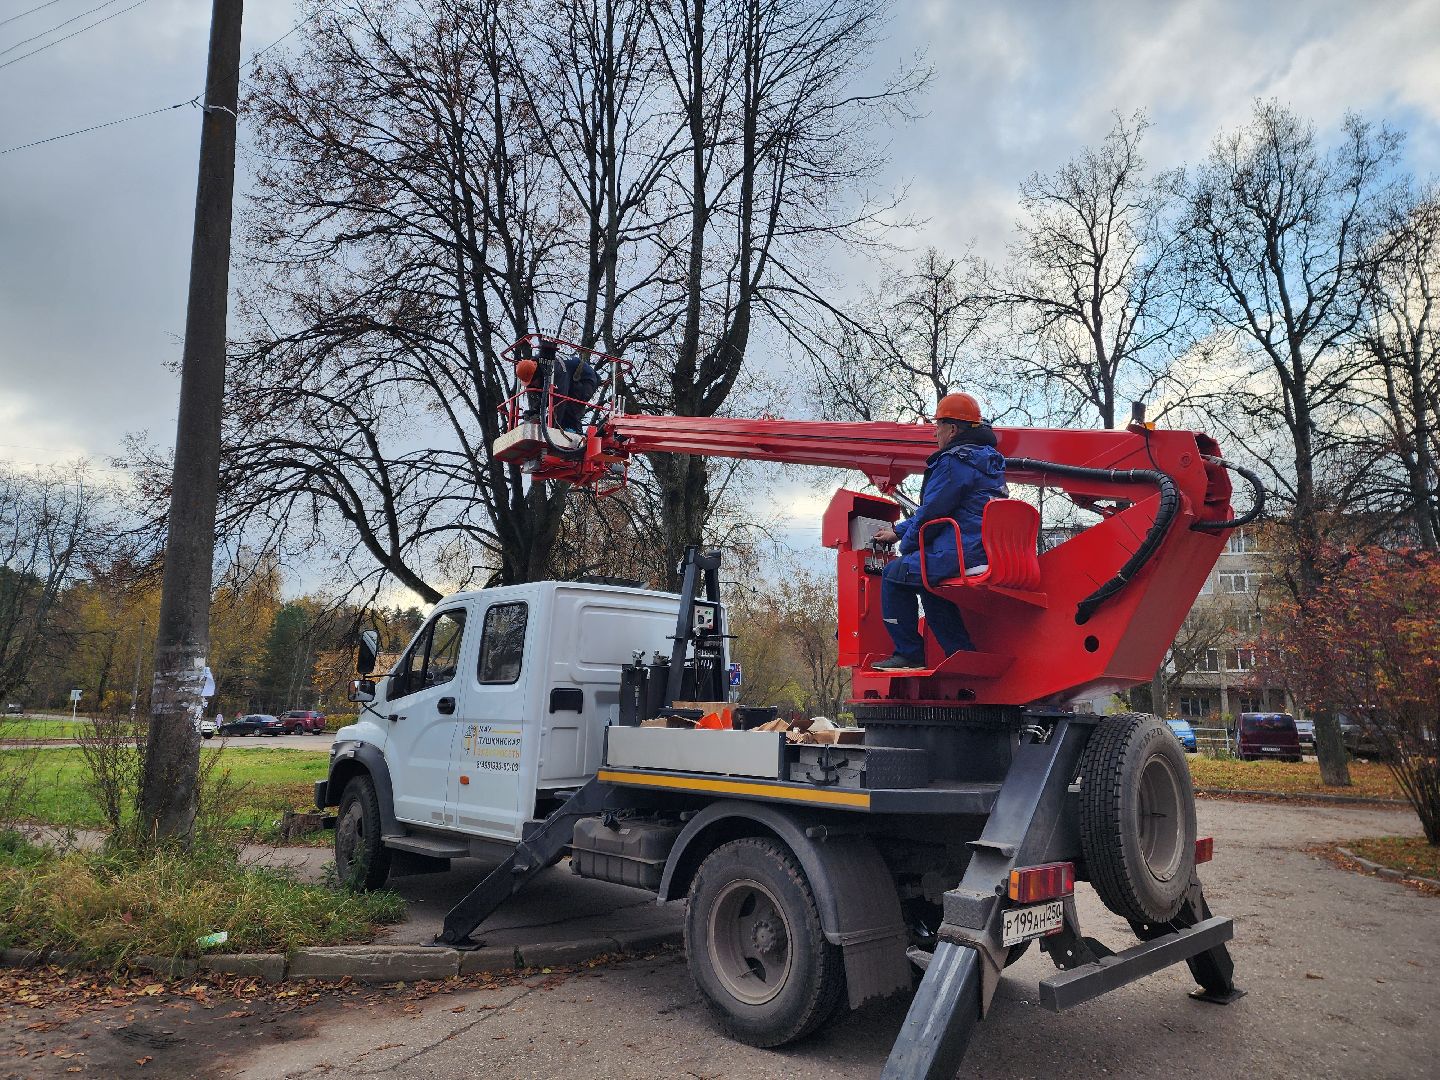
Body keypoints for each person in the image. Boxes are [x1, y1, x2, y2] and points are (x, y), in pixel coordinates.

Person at [871, 393, 1008, 670]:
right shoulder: (989, 460)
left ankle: (909, 653)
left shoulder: (953, 462)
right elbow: (946, 510)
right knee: (927, 583)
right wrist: (898, 531)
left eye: (938, 426)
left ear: (953, 429)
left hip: (962, 551)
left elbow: (932, 513)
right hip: (983, 547)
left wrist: (908, 546)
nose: (935, 433)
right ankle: (961, 652)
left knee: (895, 574)